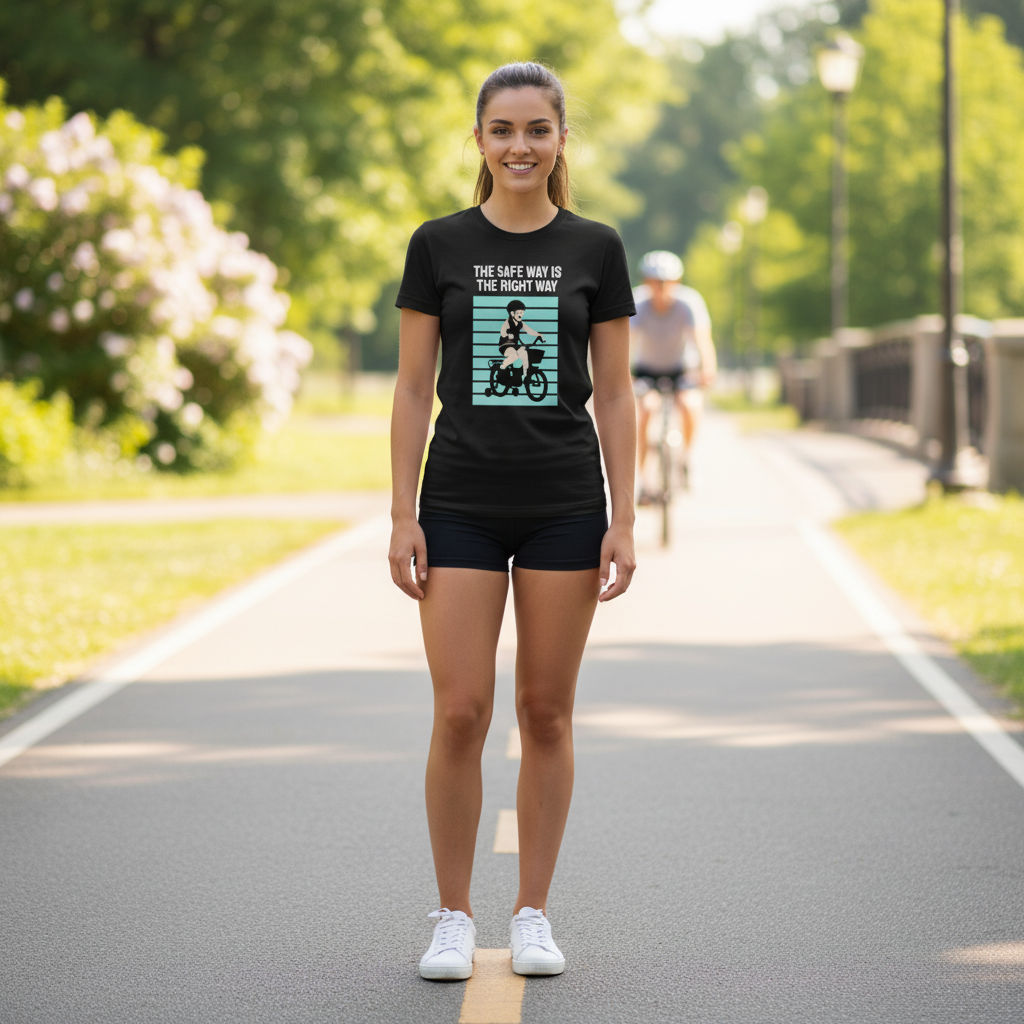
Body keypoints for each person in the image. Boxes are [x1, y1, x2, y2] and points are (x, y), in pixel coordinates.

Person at [389, 62, 637, 982]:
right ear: (480, 140)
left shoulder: (597, 248)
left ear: (560, 139)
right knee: (460, 711)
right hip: (457, 501)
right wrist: (401, 513)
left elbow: (616, 395)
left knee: (546, 711)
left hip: (565, 505)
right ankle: (452, 914)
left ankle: (531, 911)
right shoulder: (437, 244)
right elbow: (415, 387)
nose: (520, 146)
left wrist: (626, 517)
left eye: (537, 129)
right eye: (503, 130)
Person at [630, 250, 717, 496]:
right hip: (647, 369)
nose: (661, 288)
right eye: (655, 282)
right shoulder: (637, 303)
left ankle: (685, 459)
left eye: (667, 282)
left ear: (677, 282)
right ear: (646, 282)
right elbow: (627, 343)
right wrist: (623, 375)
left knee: (690, 405)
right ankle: (645, 481)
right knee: (646, 410)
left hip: (681, 368)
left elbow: (702, 340)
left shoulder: (689, 302)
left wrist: (708, 369)